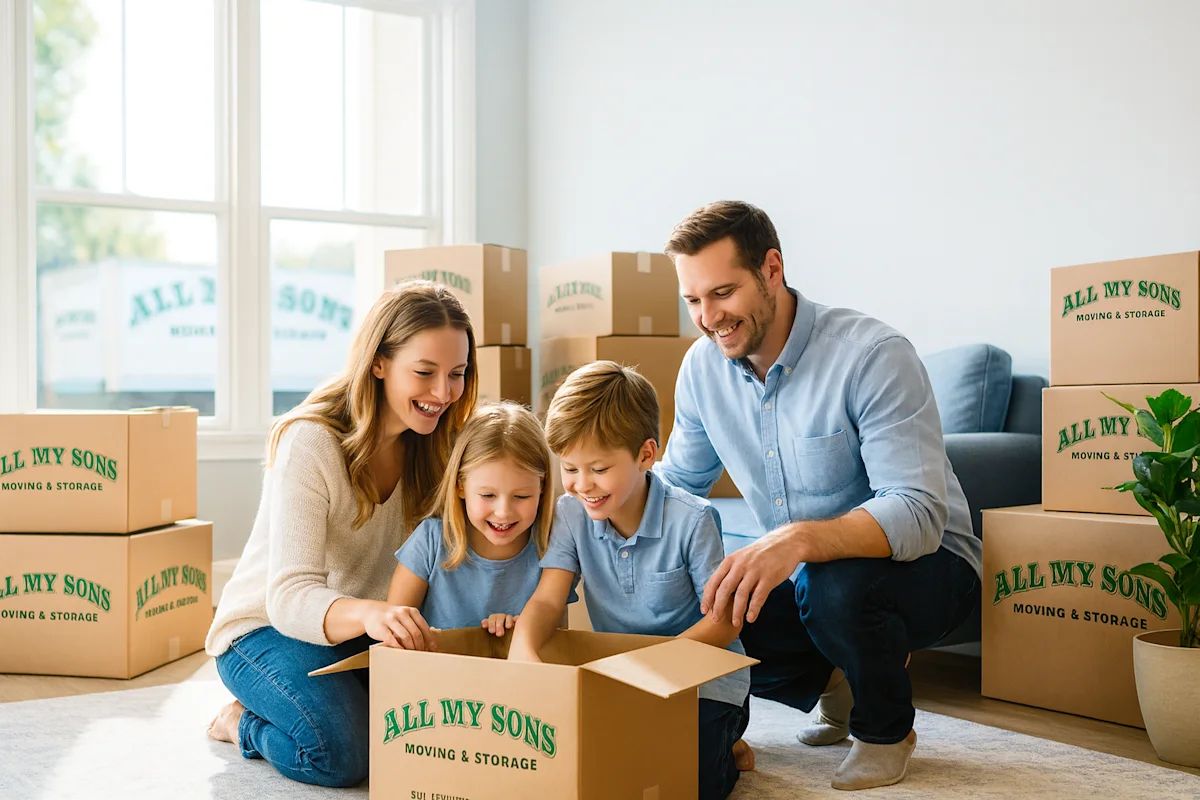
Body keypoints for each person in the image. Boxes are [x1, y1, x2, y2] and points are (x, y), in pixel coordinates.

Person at [655, 201, 982, 791]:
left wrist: (798, 539)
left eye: (723, 293)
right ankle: (840, 684)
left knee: (834, 581)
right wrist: (592, 509)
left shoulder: (872, 355)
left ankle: (886, 730)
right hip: (813, 575)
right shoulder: (702, 369)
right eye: (693, 301)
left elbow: (918, 513)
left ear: (771, 269)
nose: (708, 318)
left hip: (933, 571)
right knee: (719, 593)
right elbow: (677, 486)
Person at [203, 280, 478, 787]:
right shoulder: (311, 441)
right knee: (344, 753)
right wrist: (375, 613)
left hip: (361, 636)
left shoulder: (441, 444)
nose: (443, 393)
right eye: (424, 372)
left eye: (457, 374)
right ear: (378, 362)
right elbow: (288, 596)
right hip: (264, 630)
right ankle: (241, 722)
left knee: (439, 732)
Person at [508, 361, 753, 800]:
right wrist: (523, 651)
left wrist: (650, 667)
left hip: (703, 685)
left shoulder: (693, 519)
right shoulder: (570, 513)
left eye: (598, 469)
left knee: (683, 783)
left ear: (645, 454)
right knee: (582, 766)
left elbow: (726, 623)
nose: (582, 485)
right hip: (620, 682)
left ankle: (728, 743)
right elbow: (548, 600)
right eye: (569, 469)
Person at [384, 402, 556, 648]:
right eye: (487, 496)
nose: (503, 512)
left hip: (513, 683)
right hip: (434, 680)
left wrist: (519, 631)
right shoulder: (430, 541)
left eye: (521, 497)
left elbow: (558, 641)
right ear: (461, 486)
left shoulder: (550, 546)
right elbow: (394, 634)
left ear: (542, 489)